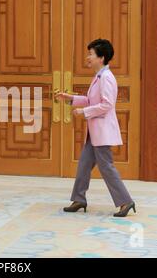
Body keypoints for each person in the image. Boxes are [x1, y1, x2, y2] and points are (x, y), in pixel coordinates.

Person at [55, 39, 136, 217]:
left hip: (102, 132)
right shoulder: (99, 76)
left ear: (102, 57)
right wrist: (70, 98)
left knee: (106, 167)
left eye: (91, 54)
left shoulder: (106, 78)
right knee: (84, 165)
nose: (88, 57)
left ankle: (125, 201)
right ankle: (79, 199)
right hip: (94, 133)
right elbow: (93, 101)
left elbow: (107, 105)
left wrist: (84, 112)